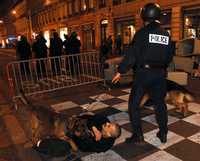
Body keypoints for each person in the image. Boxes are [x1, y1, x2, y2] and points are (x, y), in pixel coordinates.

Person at [112, 3, 175, 144]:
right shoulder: (166, 34)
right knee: (160, 104)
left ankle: (138, 136)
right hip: (160, 74)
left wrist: (120, 71)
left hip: (144, 74)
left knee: (134, 105)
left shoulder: (142, 33)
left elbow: (132, 55)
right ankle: (163, 133)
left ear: (144, 16)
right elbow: (169, 56)